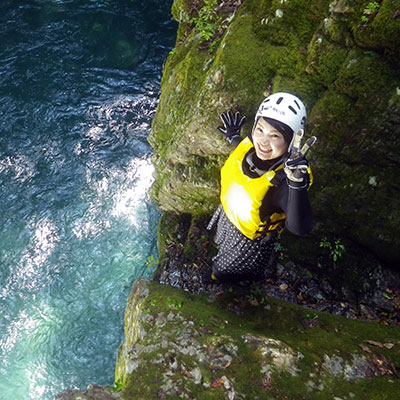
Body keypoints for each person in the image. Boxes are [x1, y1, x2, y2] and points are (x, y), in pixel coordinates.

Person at [207, 92, 316, 282]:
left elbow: (300, 228)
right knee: (220, 241)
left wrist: (297, 184)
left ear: (290, 141)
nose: (263, 142)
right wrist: (233, 137)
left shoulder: (283, 181)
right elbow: (248, 158)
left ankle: (233, 286)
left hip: (248, 242)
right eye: (260, 130)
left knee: (225, 271)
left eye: (275, 136)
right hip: (230, 216)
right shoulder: (251, 145)